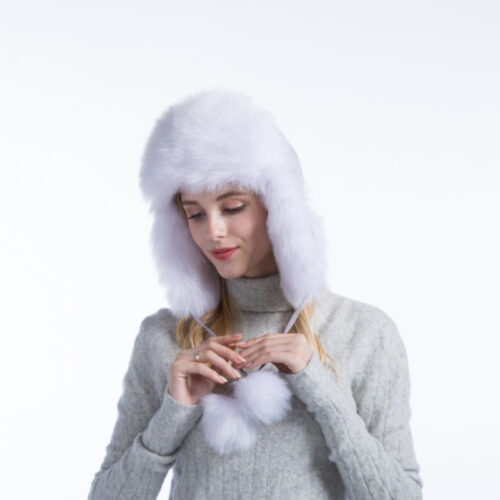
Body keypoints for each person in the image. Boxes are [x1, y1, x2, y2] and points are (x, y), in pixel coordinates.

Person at [87, 89, 423, 499]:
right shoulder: (164, 338)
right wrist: (174, 413)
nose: (213, 231)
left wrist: (319, 388)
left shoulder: (364, 333)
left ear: (280, 207)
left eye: (232, 207)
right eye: (195, 214)